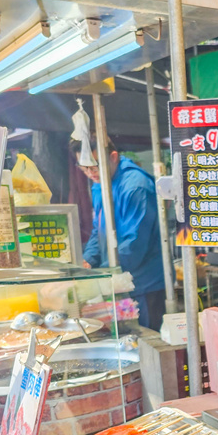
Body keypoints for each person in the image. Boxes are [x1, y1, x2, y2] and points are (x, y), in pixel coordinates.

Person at [73, 137, 166, 331]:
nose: (90, 174)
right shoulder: (100, 182)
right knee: (124, 338)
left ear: (113, 157)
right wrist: (88, 260)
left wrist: (101, 276)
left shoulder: (136, 186)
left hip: (144, 285)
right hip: (117, 280)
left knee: (144, 338)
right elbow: (98, 229)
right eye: (84, 169)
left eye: (94, 167)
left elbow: (135, 244)